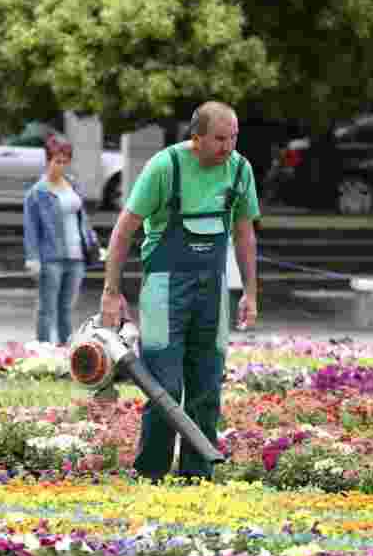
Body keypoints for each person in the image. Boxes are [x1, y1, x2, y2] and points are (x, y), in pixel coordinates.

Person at [100, 101, 260, 482]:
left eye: (234, 137)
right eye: (220, 139)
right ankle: (150, 472)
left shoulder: (239, 170)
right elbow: (124, 230)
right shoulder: (165, 168)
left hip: (211, 292)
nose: (228, 147)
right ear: (197, 136)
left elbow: (244, 233)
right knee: (164, 387)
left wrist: (251, 292)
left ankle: (197, 475)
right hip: (163, 291)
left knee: (207, 386)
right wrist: (111, 291)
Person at [22, 134, 99, 345]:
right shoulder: (37, 193)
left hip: (77, 258)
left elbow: (82, 218)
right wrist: (32, 258)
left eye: (65, 161)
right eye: (57, 161)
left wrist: (92, 242)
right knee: (47, 308)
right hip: (51, 258)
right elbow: (31, 228)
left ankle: (66, 350)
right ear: (48, 160)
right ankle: (43, 351)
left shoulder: (72, 185)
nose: (61, 166)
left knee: (66, 308)